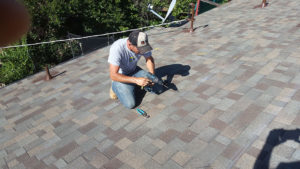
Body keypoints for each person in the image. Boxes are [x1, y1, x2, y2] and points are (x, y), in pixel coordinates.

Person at [108, 30, 161, 109]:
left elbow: (149, 59)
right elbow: (113, 75)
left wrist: (152, 75)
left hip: (134, 70)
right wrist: (136, 80)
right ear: (130, 44)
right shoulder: (117, 48)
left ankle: (133, 86)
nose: (142, 51)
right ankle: (115, 88)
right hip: (120, 77)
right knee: (130, 104)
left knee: (158, 89)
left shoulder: (142, 44)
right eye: (140, 49)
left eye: (144, 48)